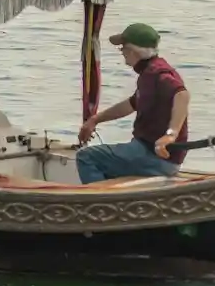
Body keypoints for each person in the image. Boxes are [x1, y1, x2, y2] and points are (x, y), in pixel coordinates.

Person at [74, 21, 191, 184]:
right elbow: (130, 105)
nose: (122, 52)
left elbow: (182, 95)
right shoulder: (148, 73)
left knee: (86, 157)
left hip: (155, 158)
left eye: (123, 48)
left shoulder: (157, 73)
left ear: (132, 50)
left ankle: (102, 203)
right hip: (154, 155)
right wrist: (95, 119)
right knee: (108, 160)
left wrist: (170, 135)